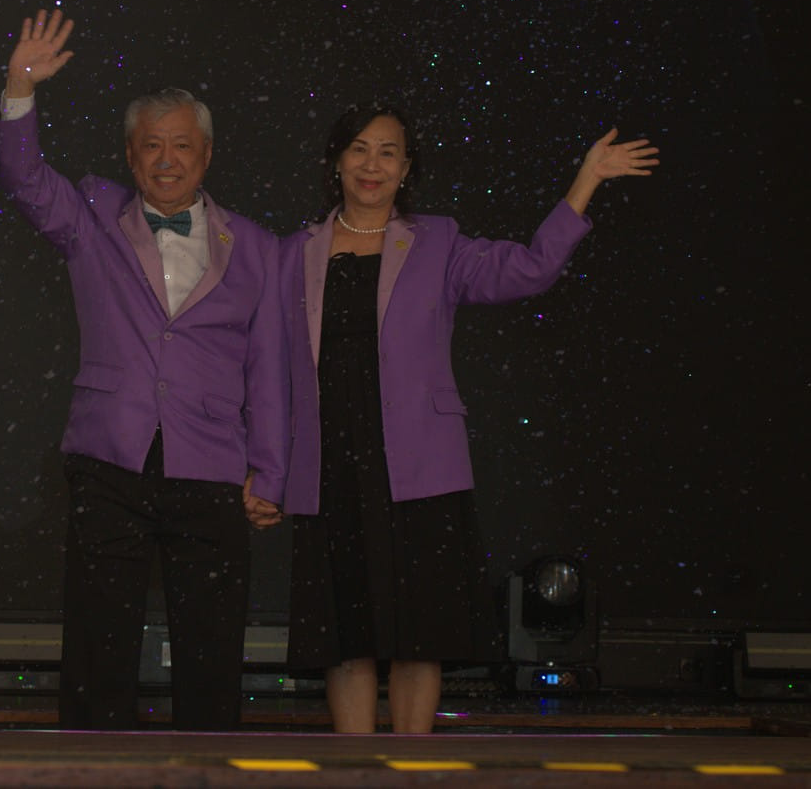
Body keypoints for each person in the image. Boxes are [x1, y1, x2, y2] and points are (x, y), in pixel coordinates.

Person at [281, 102, 660, 733]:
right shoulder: (293, 252)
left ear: (407, 168)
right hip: (331, 462)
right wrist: (267, 465)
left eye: (388, 152)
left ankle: (411, 768)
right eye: (359, 149)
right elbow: (271, 367)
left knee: (419, 633)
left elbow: (530, 270)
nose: (373, 164)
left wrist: (586, 179)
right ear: (336, 162)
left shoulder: (437, 241)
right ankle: (354, 770)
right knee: (346, 635)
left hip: (421, 467)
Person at [0, 9, 286, 730]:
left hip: (212, 460)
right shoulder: (92, 214)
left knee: (211, 644)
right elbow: (25, 179)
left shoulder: (255, 246)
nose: (166, 160)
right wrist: (20, 86)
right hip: (110, 456)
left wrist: (270, 469)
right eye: (151, 145)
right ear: (130, 155)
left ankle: (207, 770)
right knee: (100, 642)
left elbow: (269, 368)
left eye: (181, 145)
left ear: (206, 154)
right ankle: (91, 770)